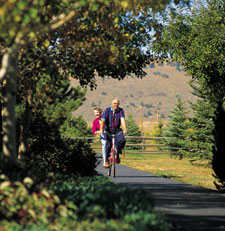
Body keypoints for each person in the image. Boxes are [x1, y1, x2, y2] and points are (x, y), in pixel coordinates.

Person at [100, 98, 128, 168]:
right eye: (114, 103)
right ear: (112, 104)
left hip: (117, 129)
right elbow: (103, 120)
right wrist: (101, 129)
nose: (116, 105)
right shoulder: (107, 110)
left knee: (122, 140)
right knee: (107, 144)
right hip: (108, 129)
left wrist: (125, 129)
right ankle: (106, 160)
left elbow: (122, 120)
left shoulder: (121, 110)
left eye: (117, 103)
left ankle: (117, 154)